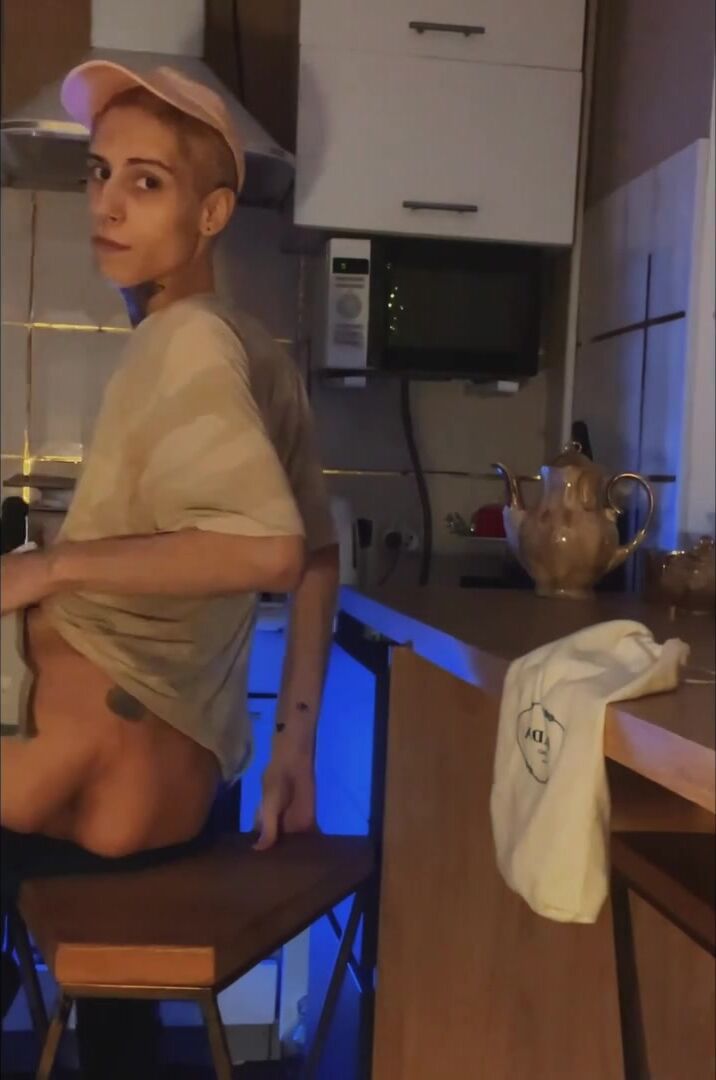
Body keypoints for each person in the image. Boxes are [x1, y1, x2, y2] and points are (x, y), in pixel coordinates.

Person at [0, 61, 339, 1076]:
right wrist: (293, 747)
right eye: (100, 174)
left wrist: (48, 570)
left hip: (69, 769)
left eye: (145, 182)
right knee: (111, 1019)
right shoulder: (253, 351)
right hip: (174, 796)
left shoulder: (183, 341)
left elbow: (271, 551)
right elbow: (320, 554)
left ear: (212, 212)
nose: (106, 204)